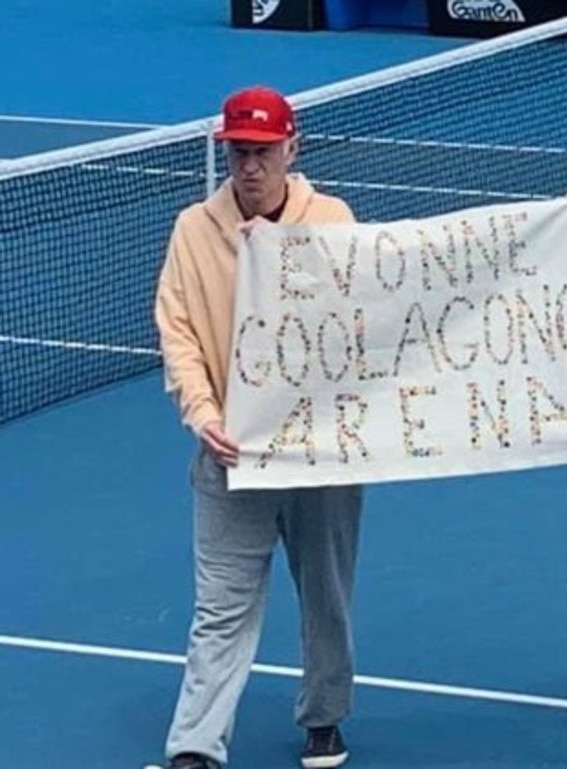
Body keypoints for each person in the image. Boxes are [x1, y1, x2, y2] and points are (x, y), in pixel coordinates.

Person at [149, 85, 363, 769]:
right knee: (220, 606)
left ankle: (324, 718)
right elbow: (177, 331)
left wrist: (283, 253)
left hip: (319, 457)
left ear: (290, 149)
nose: (249, 167)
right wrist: (203, 416)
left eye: (263, 152)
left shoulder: (332, 219)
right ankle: (195, 747)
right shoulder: (192, 229)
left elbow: (365, 314)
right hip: (228, 456)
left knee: (326, 595)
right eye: (239, 152)